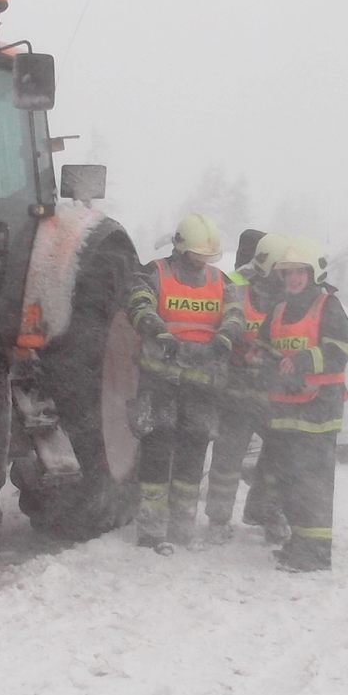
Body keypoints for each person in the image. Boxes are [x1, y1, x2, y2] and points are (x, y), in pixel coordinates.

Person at [125, 212, 245, 554]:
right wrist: (156, 329)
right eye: (196, 256)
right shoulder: (154, 273)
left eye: (207, 258)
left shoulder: (221, 281)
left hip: (203, 384)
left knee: (193, 455)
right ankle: (150, 530)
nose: (201, 264)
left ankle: (182, 528)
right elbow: (137, 302)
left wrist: (226, 337)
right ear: (180, 249)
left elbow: (236, 314)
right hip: (161, 379)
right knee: (157, 451)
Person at [258, 236, 348, 572]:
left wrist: (302, 362)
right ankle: (299, 544)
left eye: (300, 272)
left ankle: (314, 555)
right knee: (291, 484)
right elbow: (264, 347)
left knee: (312, 485)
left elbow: (339, 352)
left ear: (313, 274)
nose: (294, 278)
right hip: (285, 412)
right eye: (288, 273)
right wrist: (271, 364)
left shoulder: (328, 307)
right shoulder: (279, 309)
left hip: (318, 413)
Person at [204, 229, 281, 545]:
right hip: (236, 388)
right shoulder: (233, 286)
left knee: (279, 456)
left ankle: (267, 513)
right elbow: (218, 331)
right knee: (227, 460)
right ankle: (218, 521)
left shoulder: (290, 290)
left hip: (271, 391)